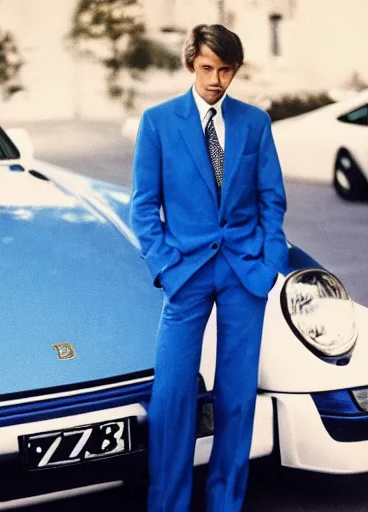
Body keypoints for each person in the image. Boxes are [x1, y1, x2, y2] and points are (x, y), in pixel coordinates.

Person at [130, 24, 288, 512]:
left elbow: (272, 201)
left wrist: (269, 267)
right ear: (189, 65)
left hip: (245, 273)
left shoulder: (254, 123)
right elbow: (143, 208)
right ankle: (169, 504)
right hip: (186, 273)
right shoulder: (158, 123)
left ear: (235, 69)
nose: (216, 80)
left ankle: (225, 502)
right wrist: (167, 268)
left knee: (237, 399)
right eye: (207, 68)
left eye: (225, 70)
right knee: (173, 395)